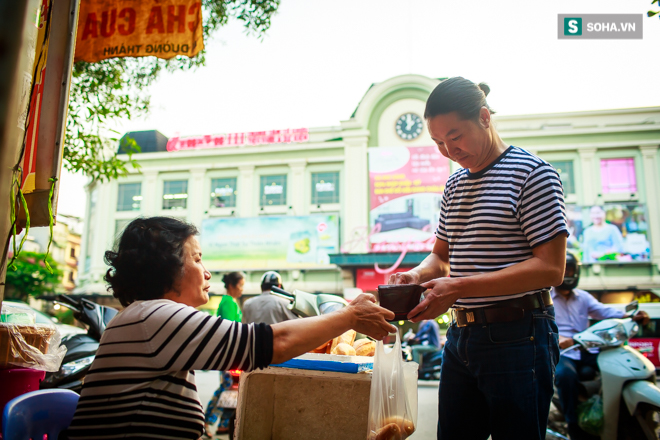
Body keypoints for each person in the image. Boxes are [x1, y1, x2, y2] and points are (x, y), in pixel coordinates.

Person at [63, 217, 396, 439]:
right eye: (197, 259)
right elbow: (271, 343)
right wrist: (350, 316)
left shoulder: (145, 316)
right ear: (168, 268)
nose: (207, 273)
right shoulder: (155, 317)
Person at [389, 77, 568, 440]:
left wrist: (460, 287)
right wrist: (416, 276)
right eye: (439, 142)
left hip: (520, 335)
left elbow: (551, 268)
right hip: (461, 337)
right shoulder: (454, 185)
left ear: (484, 117)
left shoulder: (533, 173)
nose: (449, 150)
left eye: (455, 137)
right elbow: (440, 258)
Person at [553, 252, 649, 440]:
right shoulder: (546, 297)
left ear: (577, 271)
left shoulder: (584, 298)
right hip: (565, 353)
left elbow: (607, 312)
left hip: (587, 350)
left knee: (619, 367)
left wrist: (632, 316)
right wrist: (559, 338)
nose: (566, 273)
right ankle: (573, 424)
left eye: (570, 269)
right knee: (565, 376)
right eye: (563, 269)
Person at [204, 271, 245, 436]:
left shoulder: (231, 302)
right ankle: (207, 421)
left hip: (231, 354)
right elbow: (230, 331)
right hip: (229, 355)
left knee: (230, 391)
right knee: (226, 389)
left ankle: (223, 424)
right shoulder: (228, 303)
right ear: (231, 285)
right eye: (240, 285)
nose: (242, 289)